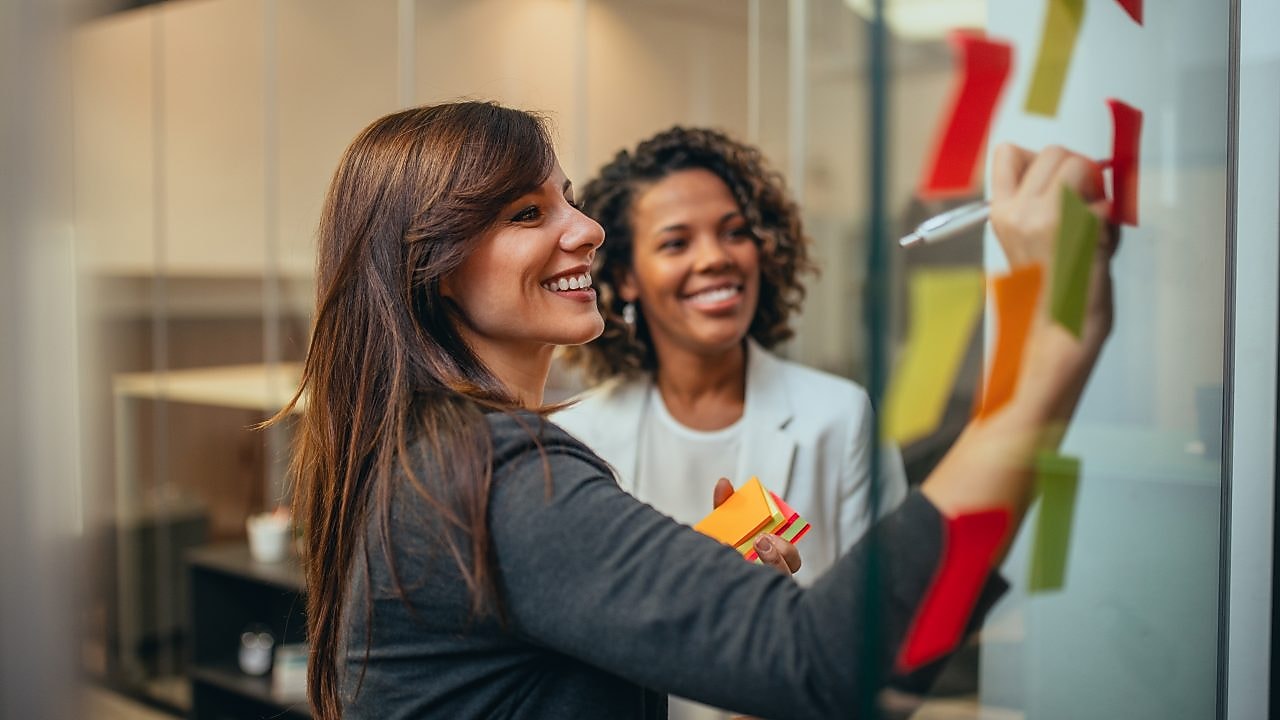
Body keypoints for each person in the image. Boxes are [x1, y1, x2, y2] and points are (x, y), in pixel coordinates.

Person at [279, 100, 1116, 720]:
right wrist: (1049, 351)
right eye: (528, 213)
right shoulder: (499, 474)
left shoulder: (436, 457)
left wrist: (705, 605)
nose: (586, 229)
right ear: (436, 268)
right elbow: (824, 665)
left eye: (566, 198)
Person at [554, 127, 908, 597]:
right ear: (626, 276)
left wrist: (778, 616)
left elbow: (891, 617)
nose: (716, 258)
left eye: (735, 232)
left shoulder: (839, 416)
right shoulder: (578, 433)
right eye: (676, 243)